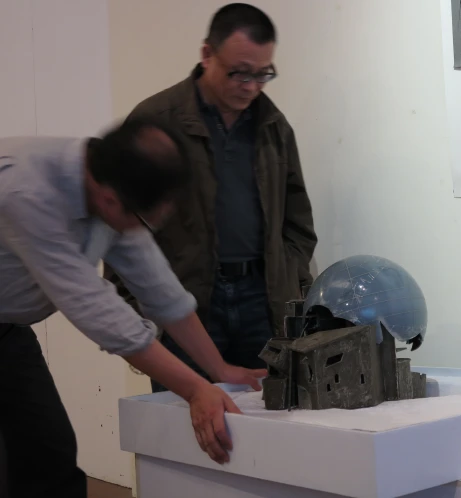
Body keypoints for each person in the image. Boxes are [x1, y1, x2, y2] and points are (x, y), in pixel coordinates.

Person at [0, 120, 267, 498]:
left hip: (7, 328)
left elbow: (160, 291)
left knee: (49, 456)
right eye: (144, 220)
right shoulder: (27, 192)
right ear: (110, 200)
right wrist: (195, 390)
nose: (144, 229)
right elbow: (99, 313)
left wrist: (219, 369)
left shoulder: (107, 183)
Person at [104, 4, 317, 392]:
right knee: (185, 427)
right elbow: (118, 225)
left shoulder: (273, 127)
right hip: (187, 304)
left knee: (270, 429)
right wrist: (137, 315)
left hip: (261, 302)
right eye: (240, 72)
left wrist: (287, 278)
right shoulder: (156, 122)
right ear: (206, 55)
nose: (251, 86)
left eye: (263, 74)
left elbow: (298, 223)